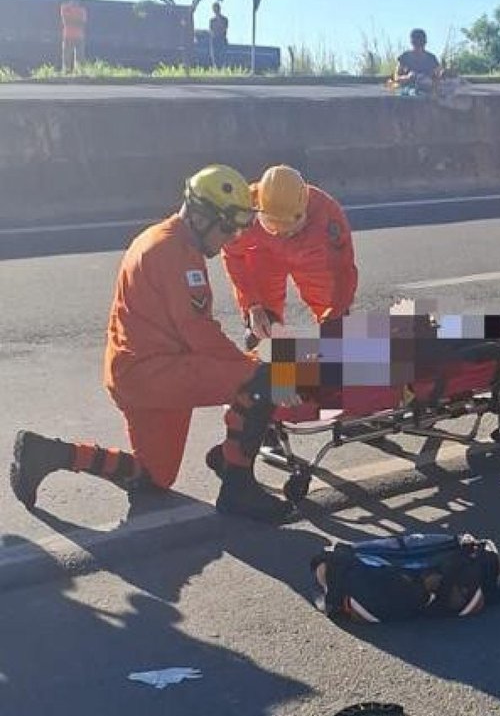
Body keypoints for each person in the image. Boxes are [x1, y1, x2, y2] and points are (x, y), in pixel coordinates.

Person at [9, 167, 291, 523]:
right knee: (266, 378)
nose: (232, 238)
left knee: (154, 477)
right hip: (157, 372)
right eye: (228, 228)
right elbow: (200, 334)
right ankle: (237, 485)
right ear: (202, 217)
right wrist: (255, 367)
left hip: (135, 372)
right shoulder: (175, 255)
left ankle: (49, 454)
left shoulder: (160, 238)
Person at [222, 165, 358, 343]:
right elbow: (233, 257)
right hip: (265, 255)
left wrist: (336, 316)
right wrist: (252, 306)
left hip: (312, 257)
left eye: (288, 229)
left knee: (336, 317)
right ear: (258, 209)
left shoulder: (327, 215)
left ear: (305, 207)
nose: (281, 234)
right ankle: (265, 348)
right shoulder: (243, 211)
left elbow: (343, 271)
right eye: (273, 226)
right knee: (262, 326)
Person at [60, 0, 87, 75]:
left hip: (79, 36)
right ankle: (66, 73)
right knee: (66, 58)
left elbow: (83, 22)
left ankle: (79, 74)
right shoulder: (64, 7)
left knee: (80, 58)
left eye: (77, 0)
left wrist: (72, 19)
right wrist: (76, 20)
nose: (76, 1)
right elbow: (65, 20)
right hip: (68, 36)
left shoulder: (82, 10)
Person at [208, 0, 230, 70]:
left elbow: (224, 28)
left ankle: (222, 69)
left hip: (222, 39)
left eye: (216, 8)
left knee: (222, 56)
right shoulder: (212, 20)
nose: (215, 10)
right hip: (214, 40)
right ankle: (216, 69)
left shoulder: (224, 19)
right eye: (214, 9)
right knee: (215, 56)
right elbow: (211, 30)